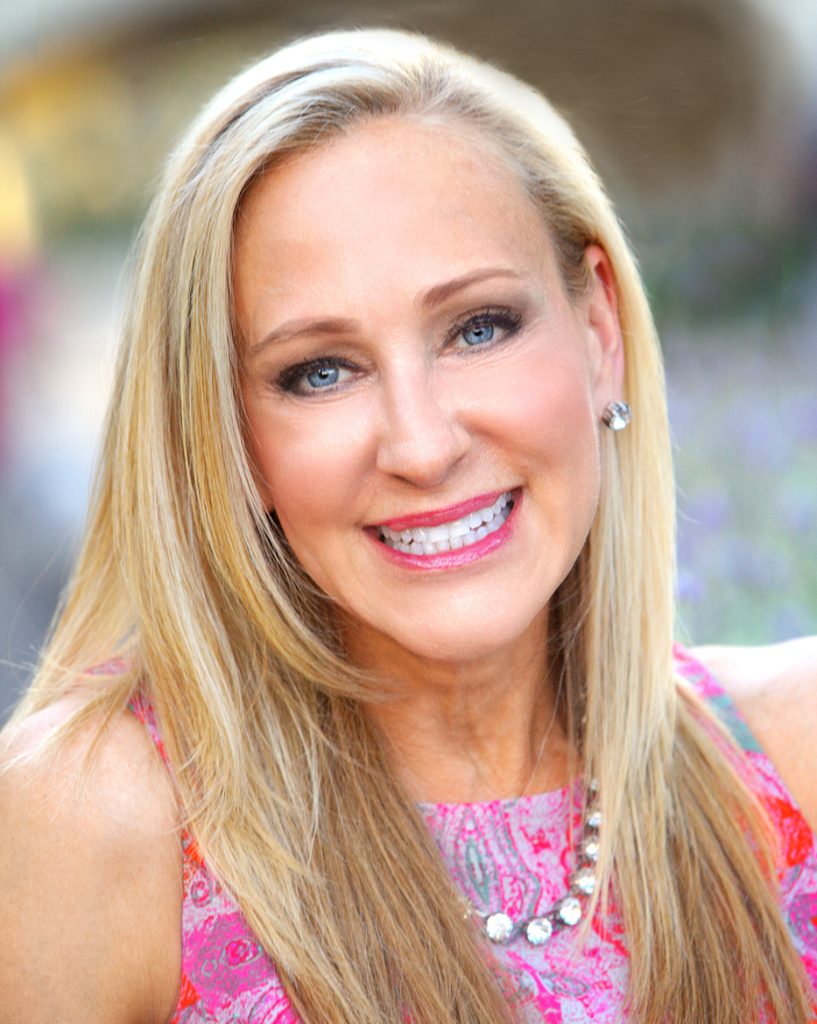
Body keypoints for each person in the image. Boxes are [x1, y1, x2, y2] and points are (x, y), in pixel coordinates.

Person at [1, 27, 815, 1024]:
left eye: (478, 327)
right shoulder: (95, 822)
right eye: (320, 372)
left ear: (597, 333)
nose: (422, 446)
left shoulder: (793, 756)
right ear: (225, 437)